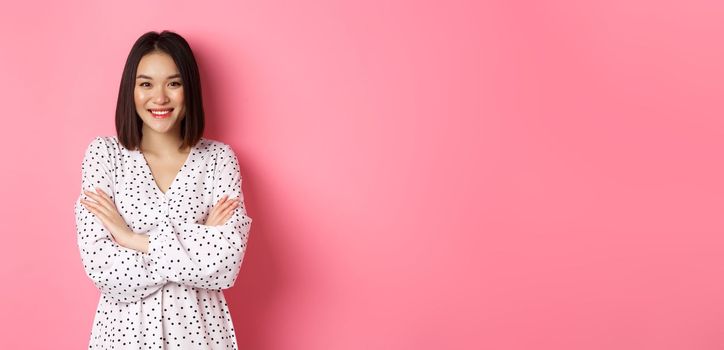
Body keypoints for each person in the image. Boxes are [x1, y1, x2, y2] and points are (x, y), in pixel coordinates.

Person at [74, 30, 253, 349]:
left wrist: (132, 239)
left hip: (200, 336)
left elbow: (226, 266)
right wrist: (197, 244)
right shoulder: (104, 155)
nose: (160, 98)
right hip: (124, 337)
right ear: (131, 90)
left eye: (173, 83)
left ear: (190, 89)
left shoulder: (218, 160)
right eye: (146, 84)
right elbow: (103, 267)